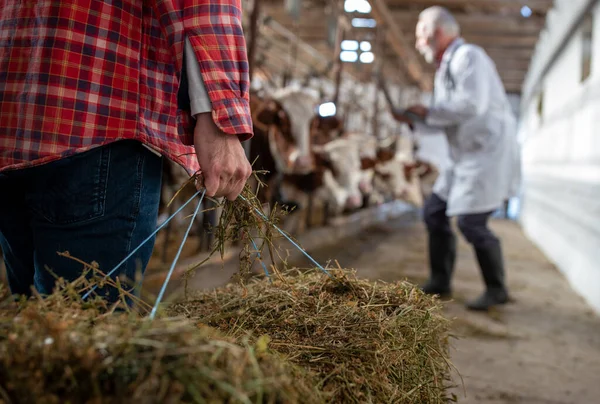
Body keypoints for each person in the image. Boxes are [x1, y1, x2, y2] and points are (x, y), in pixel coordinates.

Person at [0, 0, 253, 301]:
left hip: (12, 123)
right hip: (100, 119)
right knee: (91, 330)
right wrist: (219, 118)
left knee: (33, 324)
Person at [393, 6, 521, 311]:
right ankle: (440, 280)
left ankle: (497, 288)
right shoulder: (445, 70)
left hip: (486, 154)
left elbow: (471, 106)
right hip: (462, 157)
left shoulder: (469, 57)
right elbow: (445, 119)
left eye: (420, 36)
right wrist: (414, 119)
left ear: (436, 33)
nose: (418, 43)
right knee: (434, 212)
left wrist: (429, 111)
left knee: (471, 222)